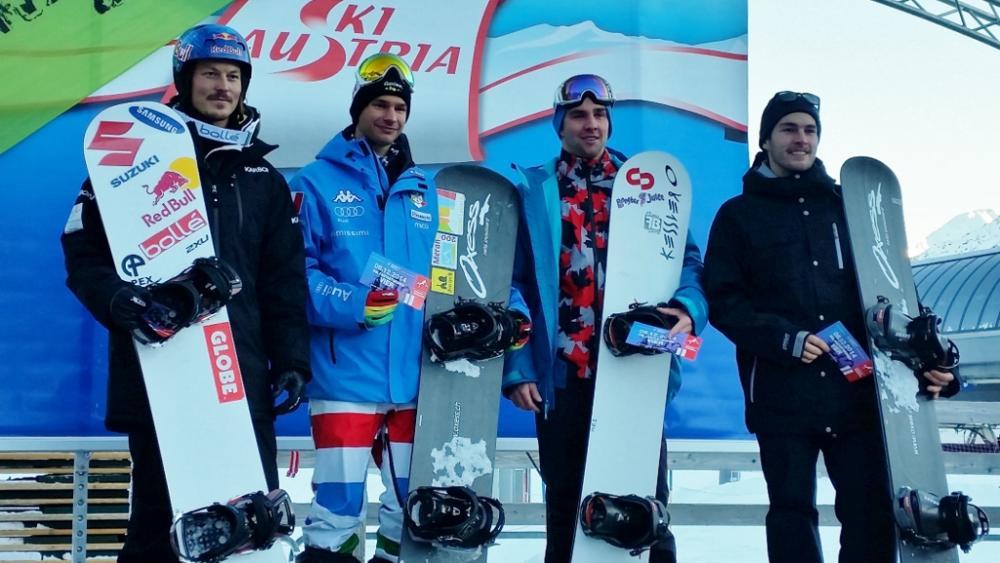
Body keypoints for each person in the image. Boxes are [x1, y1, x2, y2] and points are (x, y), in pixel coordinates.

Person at [61, 24, 310, 562]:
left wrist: (292, 361)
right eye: (210, 73)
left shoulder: (263, 177)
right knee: (160, 527)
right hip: (162, 374)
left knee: (247, 526)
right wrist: (119, 302)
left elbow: (284, 282)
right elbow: (82, 253)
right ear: (185, 79)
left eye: (234, 76)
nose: (223, 86)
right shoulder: (133, 159)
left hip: (238, 377)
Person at [702, 90, 961, 563]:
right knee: (791, 514)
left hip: (856, 394)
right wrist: (783, 338)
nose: (801, 139)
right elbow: (723, 301)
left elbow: (894, 291)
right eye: (788, 129)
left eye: (810, 130)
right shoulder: (739, 215)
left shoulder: (850, 208)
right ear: (765, 139)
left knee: (869, 514)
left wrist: (935, 361)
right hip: (781, 393)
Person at [502, 74, 708, 563]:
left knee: (645, 507)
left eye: (599, 114)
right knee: (566, 509)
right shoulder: (535, 189)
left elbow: (687, 262)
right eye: (578, 115)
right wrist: (519, 367)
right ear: (559, 124)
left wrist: (688, 309)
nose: (591, 124)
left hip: (634, 372)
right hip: (563, 376)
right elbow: (512, 282)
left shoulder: (647, 185)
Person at [291, 53, 436, 563]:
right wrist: (352, 302)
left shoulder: (426, 189)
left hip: (413, 380)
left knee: (410, 509)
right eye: (380, 105)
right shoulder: (313, 181)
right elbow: (294, 273)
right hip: (345, 376)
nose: (391, 116)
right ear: (358, 109)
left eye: (400, 107)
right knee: (337, 510)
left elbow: (452, 274)